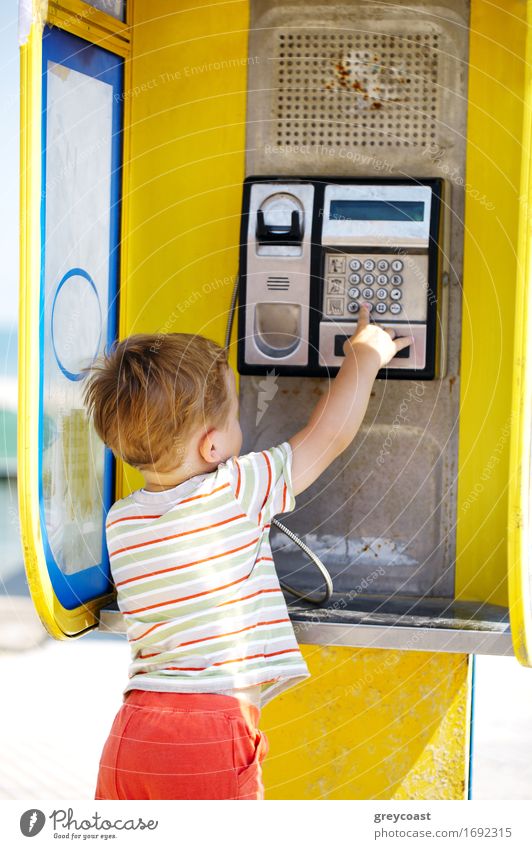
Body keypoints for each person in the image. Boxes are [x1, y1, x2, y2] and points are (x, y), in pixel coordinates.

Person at [84, 304, 411, 800]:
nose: (242, 426)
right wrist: (364, 357)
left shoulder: (121, 520)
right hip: (208, 736)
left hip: (132, 733)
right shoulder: (236, 489)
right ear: (212, 447)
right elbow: (328, 435)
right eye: (236, 416)